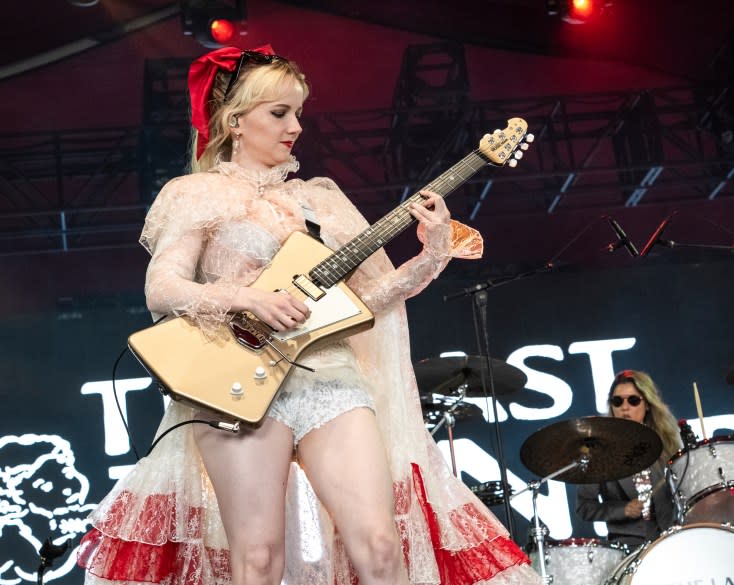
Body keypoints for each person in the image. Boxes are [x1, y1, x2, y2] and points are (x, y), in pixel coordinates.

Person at [77, 44, 540, 585]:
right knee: (257, 560)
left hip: (330, 376)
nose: (295, 126)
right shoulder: (195, 193)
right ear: (234, 121)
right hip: (234, 382)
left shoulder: (320, 199)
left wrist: (433, 251)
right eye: (279, 113)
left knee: (379, 545)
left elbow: (368, 301)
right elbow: (162, 289)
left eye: (298, 112)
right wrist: (249, 298)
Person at [576, 370, 682, 549]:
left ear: (647, 404)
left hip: (673, 540)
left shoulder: (668, 443)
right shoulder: (597, 452)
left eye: (633, 400)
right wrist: (622, 510)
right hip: (628, 547)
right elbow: (584, 507)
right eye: (617, 401)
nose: (625, 407)